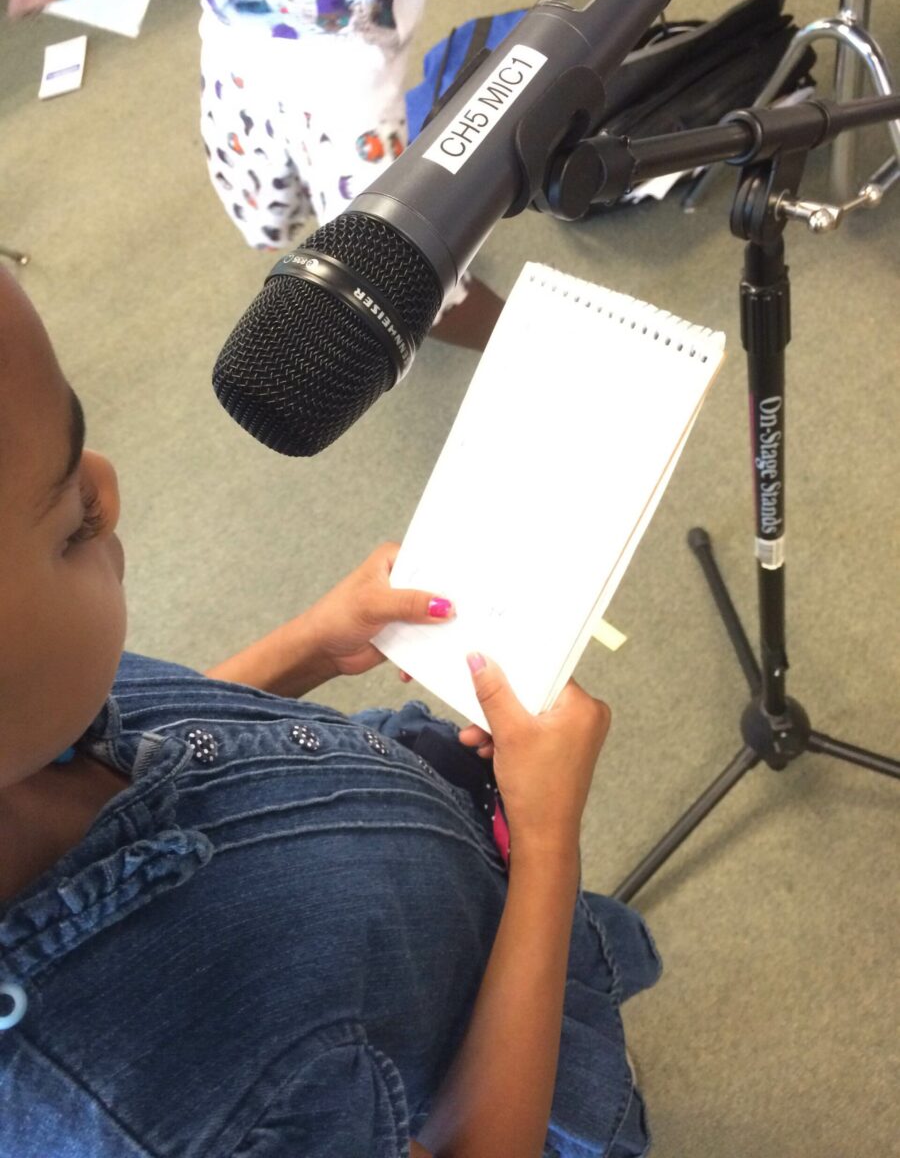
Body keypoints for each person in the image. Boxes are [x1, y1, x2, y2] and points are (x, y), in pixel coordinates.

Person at [0, 264, 661, 1155]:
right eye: (73, 521)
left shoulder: (31, 723)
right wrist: (547, 848)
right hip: (471, 1042)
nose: (107, 484)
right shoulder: (158, 1109)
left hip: (420, 868)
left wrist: (311, 644)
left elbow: (159, 736)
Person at [1, 0, 504, 350]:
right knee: (259, 184)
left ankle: (532, 335)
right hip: (241, 3)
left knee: (393, 273)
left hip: (335, 25)